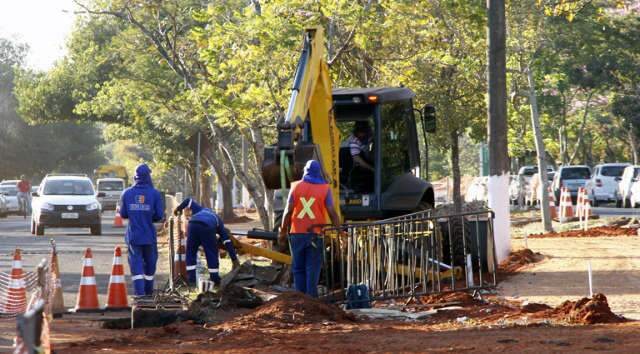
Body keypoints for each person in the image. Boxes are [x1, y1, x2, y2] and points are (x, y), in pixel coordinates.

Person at [279, 160, 341, 297]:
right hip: (316, 235)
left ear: (305, 171)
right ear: (319, 173)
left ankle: (301, 299)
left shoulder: (295, 187)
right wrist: (340, 231)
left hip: (297, 235)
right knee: (312, 268)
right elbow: (332, 213)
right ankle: (311, 300)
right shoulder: (325, 189)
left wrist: (282, 232)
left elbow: (287, 212)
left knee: (298, 268)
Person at [173, 197, 241, 286]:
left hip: (192, 224)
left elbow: (188, 201)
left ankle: (191, 280)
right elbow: (227, 241)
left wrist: (178, 209)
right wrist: (234, 259)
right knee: (211, 252)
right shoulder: (218, 221)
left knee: (190, 252)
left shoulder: (200, 209)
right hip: (207, 227)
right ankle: (214, 278)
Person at [119, 164, 164, 297]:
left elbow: (123, 214)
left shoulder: (127, 193)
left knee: (136, 263)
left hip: (133, 235)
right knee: (150, 263)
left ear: (135, 177)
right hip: (149, 236)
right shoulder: (155, 194)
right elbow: (159, 216)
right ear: (148, 177)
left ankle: (140, 294)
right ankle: (149, 292)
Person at [342, 121, 374, 192]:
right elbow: (357, 159)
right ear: (358, 132)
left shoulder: (365, 139)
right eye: (363, 132)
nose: (365, 134)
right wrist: (372, 168)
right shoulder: (354, 141)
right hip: (351, 171)